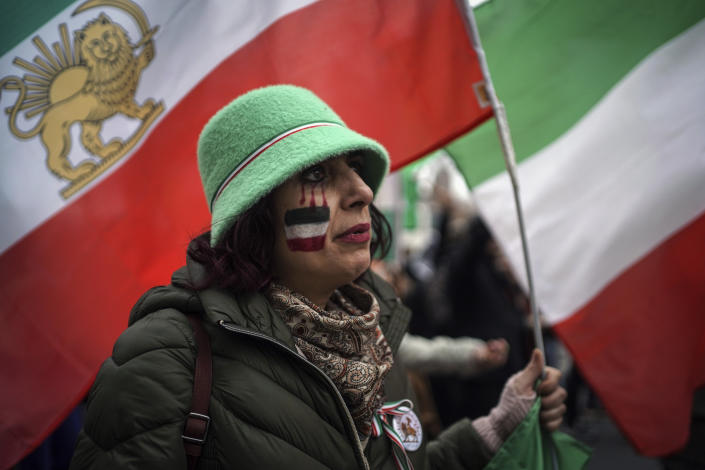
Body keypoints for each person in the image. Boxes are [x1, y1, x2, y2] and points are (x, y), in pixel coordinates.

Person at [69, 85, 566, 469]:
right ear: (255, 215)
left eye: (354, 167)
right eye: (315, 175)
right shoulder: (166, 361)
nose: (362, 192)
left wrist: (494, 429)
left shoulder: (373, 339)